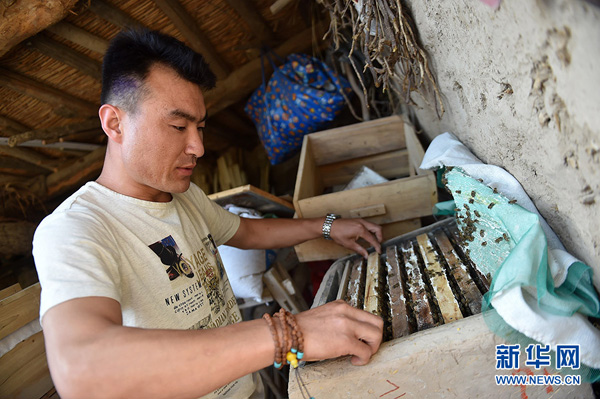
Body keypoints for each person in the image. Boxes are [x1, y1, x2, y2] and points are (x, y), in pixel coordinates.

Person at [32, 28, 384, 399]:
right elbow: (82, 370)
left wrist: (326, 226)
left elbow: (248, 234)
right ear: (115, 123)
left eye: (199, 127)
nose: (197, 147)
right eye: (178, 126)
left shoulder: (184, 198)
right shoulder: (74, 229)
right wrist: (289, 334)